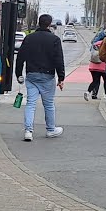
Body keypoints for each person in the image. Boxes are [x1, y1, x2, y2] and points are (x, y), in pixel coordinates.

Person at [15, 13, 66, 142]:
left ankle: (28, 131)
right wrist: (61, 78)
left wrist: (19, 74)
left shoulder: (29, 38)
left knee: (30, 103)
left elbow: (20, 57)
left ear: (38, 23)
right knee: (48, 104)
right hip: (48, 76)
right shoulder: (54, 40)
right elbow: (59, 59)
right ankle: (50, 129)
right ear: (49, 25)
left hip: (32, 75)